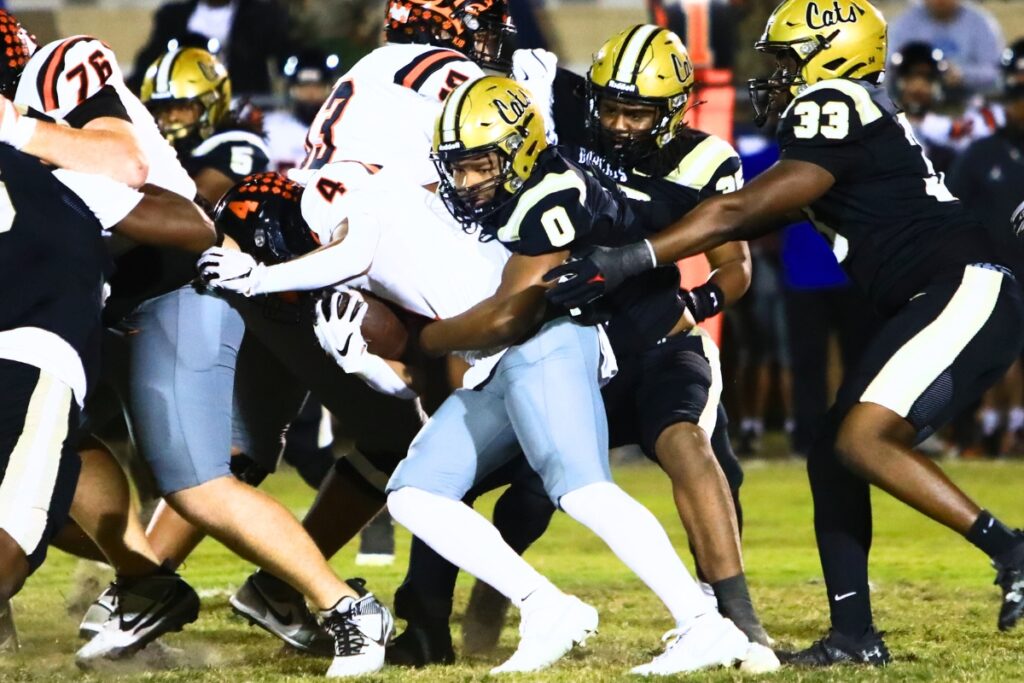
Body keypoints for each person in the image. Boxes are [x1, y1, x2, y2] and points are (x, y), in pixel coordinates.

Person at [547, 0, 1024, 664]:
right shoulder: (849, 120)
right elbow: (746, 220)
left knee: (862, 437)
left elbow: (743, 209)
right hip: (942, 292)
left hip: (959, 285)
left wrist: (633, 256)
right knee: (832, 450)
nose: (773, 78)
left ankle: (1012, 549)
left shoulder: (833, 98)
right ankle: (854, 636)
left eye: (784, 62)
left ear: (828, 57)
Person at [0, 12, 391, 675]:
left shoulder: (64, 72)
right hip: (80, 307)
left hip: (170, 290)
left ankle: (345, 608)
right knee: (43, 448)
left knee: (196, 485)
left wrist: (33, 149)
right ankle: (145, 578)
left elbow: (173, 209)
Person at [385, 75, 778, 675]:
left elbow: (510, 317)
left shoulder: (552, 192)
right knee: (415, 492)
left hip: (561, 342)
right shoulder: (544, 160)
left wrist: (421, 341)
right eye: (457, 168)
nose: (465, 183)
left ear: (517, 151)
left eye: (478, 167)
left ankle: (712, 623)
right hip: (519, 356)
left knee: (584, 485)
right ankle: (543, 608)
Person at [948, 38, 1024, 455]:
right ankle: (989, 429)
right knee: (995, 355)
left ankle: (1009, 429)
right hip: (994, 273)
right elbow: (953, 211)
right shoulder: (981, 153)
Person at [128, 0, 293, 97]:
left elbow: (283, 57)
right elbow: (150, 60)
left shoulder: (261, 15)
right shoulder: (173, 17)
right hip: (183, 104)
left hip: (240, 104)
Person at [889, 0, 1005, 98]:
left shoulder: (980, 23)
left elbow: (996, 72)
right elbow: (889, 65)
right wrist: (915, 76)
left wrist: (963, 75)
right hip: (915, 101)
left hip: (967, 102)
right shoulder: (905, 23)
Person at [264, 49, 340, 172]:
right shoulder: (270, 128)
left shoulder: (344, 130)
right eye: (303, 86)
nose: (310, 93)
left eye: (317, 86)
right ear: (291, 90)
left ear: (329, 89)